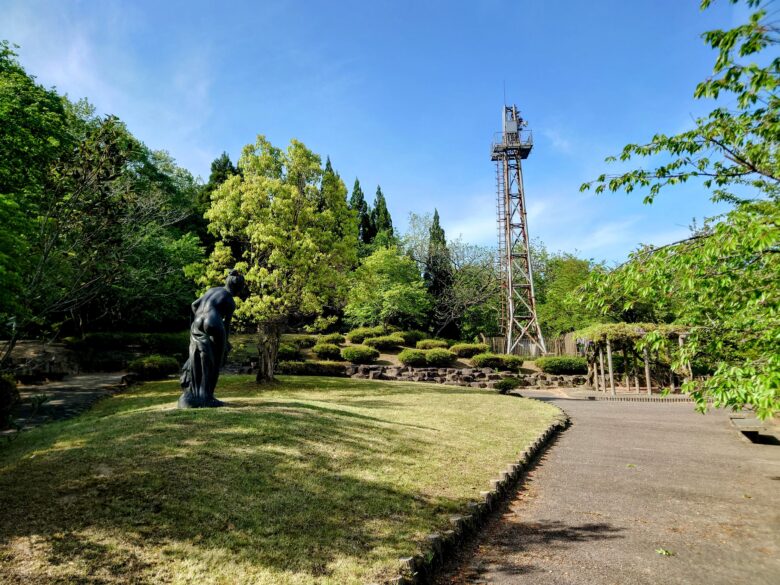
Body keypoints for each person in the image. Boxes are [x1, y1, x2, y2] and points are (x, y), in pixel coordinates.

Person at [178, 269, 245, 408]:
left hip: (197, 322)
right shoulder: (230, 301)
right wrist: (225, 343)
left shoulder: (212, 290)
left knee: (196, 355)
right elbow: (226, 325)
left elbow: (193, 305)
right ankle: (207, 396)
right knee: (215, 360)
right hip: (214, 323)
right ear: (237, 288)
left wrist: (198, 318)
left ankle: (195, 393)